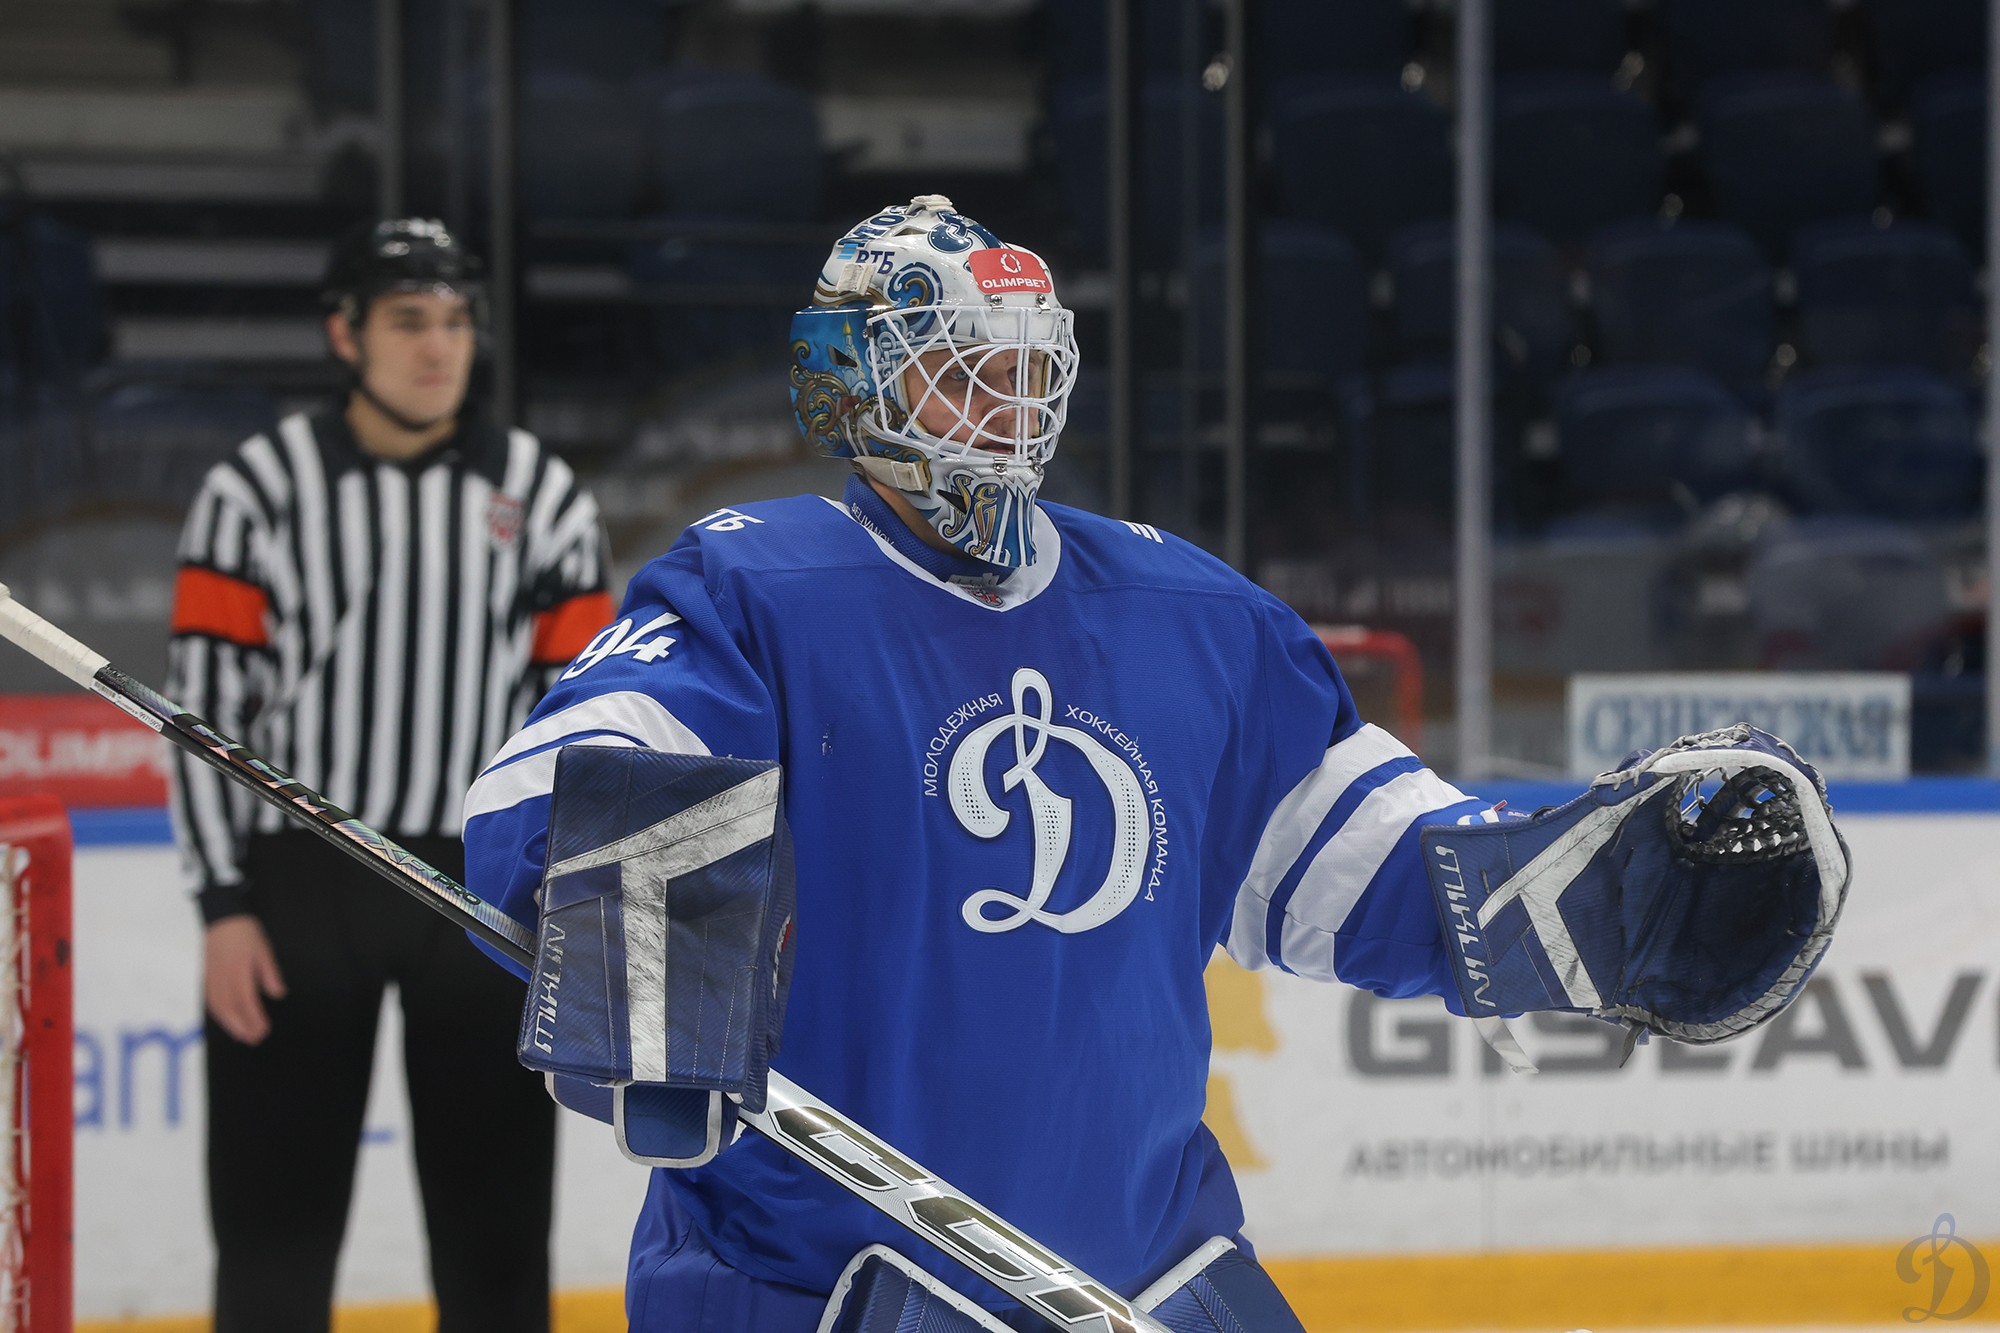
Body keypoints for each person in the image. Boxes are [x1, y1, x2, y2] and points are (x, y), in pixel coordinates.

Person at [459, 196, 1838, 1331]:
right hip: (824, 1284)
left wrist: (1568, 896)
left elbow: (1353, 860)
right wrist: (635, 921)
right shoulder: (755, 589)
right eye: (959, 366)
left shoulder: (1190, 614)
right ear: (851, 376)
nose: (1001, 404)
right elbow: (556, 783)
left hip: (1142, 1276)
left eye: (1021, 367)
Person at [166, 217, 615, 1332]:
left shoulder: (541, 492)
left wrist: (570, 896)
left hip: (484, 887)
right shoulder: (255, 490)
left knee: (496, 1235)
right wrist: (222, 905)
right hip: (298, 883)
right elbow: (202, 715)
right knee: (271, 1227)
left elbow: (585, 719)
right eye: (409, 321)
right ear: (344, 333)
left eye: (456, 322)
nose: (438, 347)